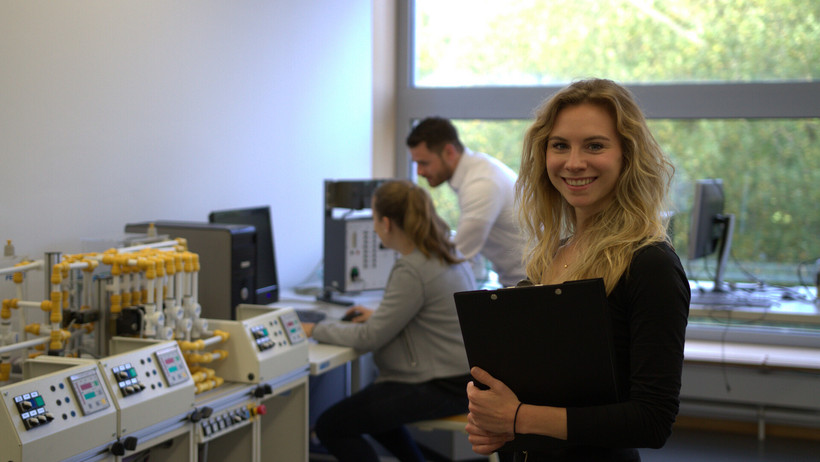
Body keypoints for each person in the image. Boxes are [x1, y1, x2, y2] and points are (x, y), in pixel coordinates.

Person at [464, 79, 690, 461]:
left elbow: (652, 421)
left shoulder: (651, 264)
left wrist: (518, 417)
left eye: (595, 145)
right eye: (560, 146)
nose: (573, 162)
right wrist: (495, 422)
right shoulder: (549, 257)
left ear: (627, 155)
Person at [301, 179, 476, 462]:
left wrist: (313, 328)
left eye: (373, 219)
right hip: (460, 379)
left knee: (331, 426)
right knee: (373, 414)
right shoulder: (447, 253)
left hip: (438, 386)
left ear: (386, 223)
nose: (372, 227)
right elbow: (427, 312)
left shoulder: (411, 268)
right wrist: (380, 316)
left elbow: (370, 338)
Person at [406, 117, 527, 287]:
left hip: (533, 285)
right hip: (519, 282)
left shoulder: (481, 184)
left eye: (424, 163)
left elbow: (459, 258)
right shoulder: (477, 171)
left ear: (449, 152)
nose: (419, 172)